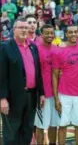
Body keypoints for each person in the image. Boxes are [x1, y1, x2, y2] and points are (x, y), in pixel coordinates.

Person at [0, 17, 45, 145]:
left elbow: (38, 72)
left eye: (26, 28)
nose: (24, 30)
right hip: (12, 98)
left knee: (27, 130)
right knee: (11, 133)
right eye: (21, 28)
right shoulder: (5, 47)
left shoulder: (33, 47)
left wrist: (41, 93)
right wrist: (2, 98)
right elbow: (1, 75)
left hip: (31, 96)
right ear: (14, 30)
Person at [34, 24, 60, 145]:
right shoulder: (36, 49)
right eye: (47, 33)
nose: (50, 35)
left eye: (51, 33)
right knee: (40, 125)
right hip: (42, 93)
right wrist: (39, 93)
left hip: (56, 93)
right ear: (41, 35)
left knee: (54, 124)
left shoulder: (57, 49)